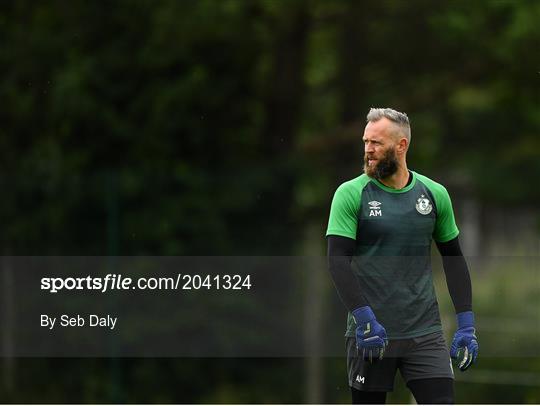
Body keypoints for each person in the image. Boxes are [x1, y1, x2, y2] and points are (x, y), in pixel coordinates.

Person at [326, 108, 478, 404]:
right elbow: (337, 260)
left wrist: (467, 324)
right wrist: (364, 318)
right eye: (366, 142)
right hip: (371, 333)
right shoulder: (350, 193)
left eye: (377, 143)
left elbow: (454, 257)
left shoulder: (434, 194)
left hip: (425, 333)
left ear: (401, 146)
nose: (368, 150)